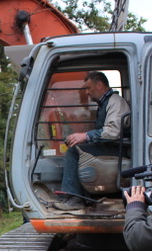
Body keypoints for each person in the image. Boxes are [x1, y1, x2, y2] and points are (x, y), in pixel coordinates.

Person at [54, 71, 130, 210]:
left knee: (73, 152)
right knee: (78, 147)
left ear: (100, 85)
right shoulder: (106, 103)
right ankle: (82, 197)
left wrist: (85, 136)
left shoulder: (115, 102)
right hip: (111, 146)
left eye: (89, 88)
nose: (87, 93)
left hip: (117, 149)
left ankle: (73, 198)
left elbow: (113, 132)